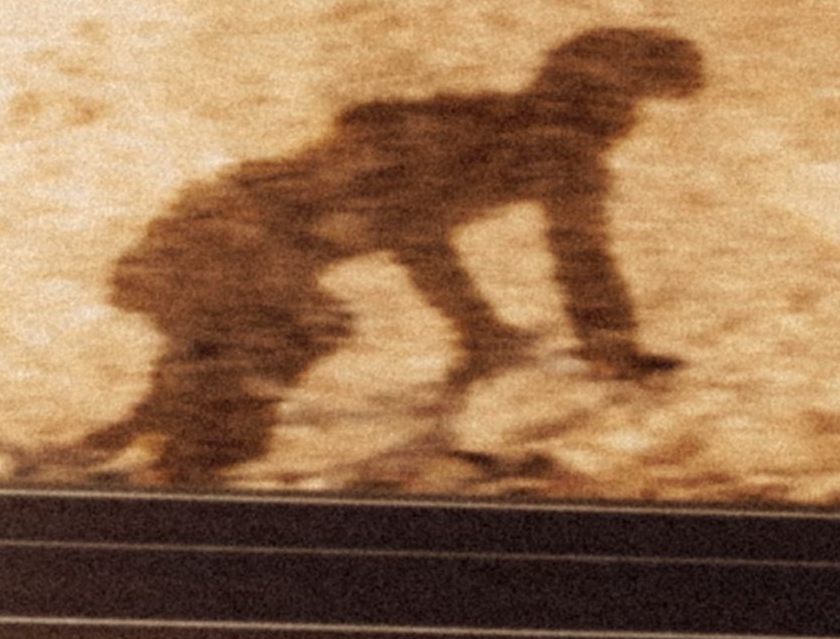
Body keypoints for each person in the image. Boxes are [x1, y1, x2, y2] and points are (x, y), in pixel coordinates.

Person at [81, 27, 704, 482]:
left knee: (225, 375)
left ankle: (106, 457)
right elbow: (580, 255)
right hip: (236, 250)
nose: (626, 122)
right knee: (265, 367)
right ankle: (158, 490)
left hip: (200, 234)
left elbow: (414, 229)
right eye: (631, 102)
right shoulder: (555, 151)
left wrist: (479, 330)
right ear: (608, 103)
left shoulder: (470, 125)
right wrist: (611, 344)